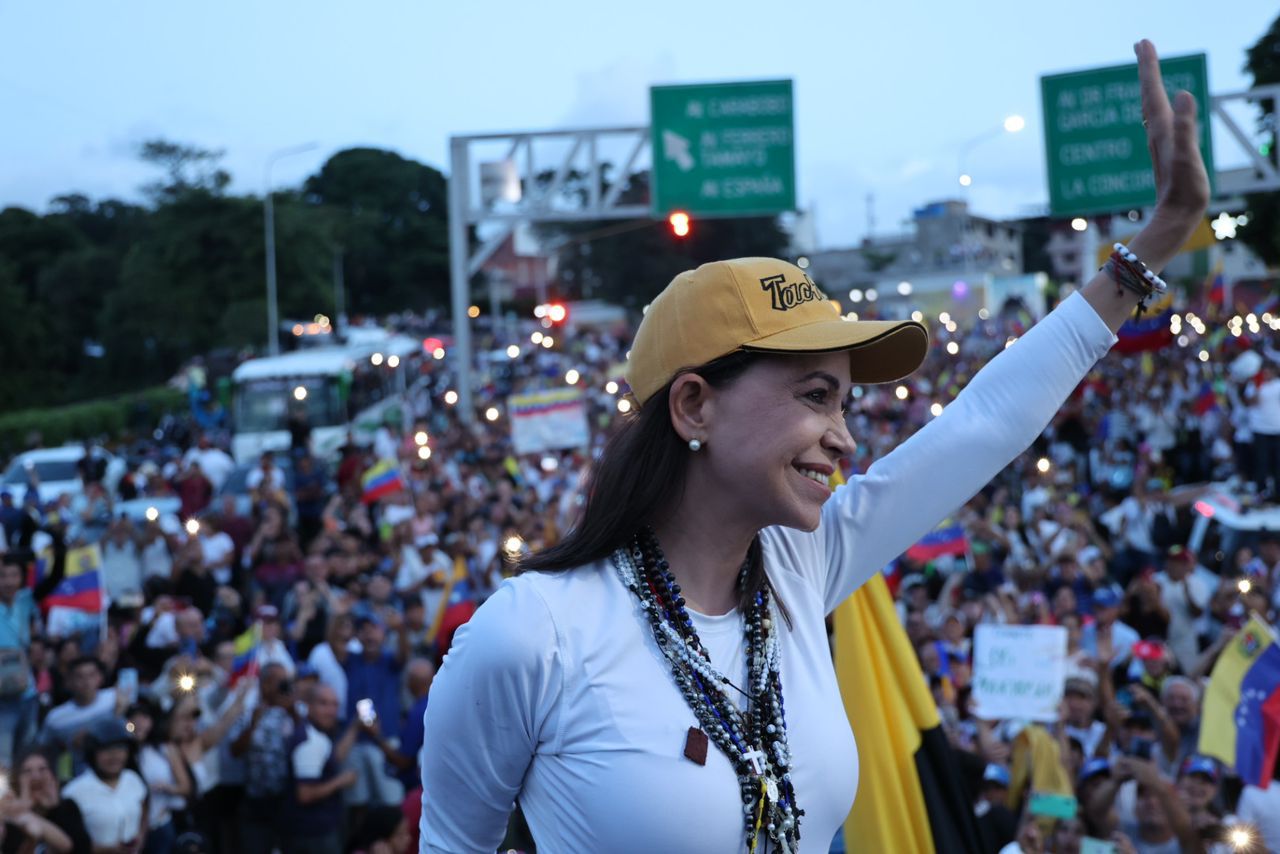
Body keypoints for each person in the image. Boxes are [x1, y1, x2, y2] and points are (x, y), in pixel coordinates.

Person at [419, 41, 1211, 852]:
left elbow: (982, 426)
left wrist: (1153, 245)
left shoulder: (800, 569)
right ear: (694, 405)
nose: (843, 435)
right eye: (814, 396)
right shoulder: (530, 635)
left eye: (845, 401)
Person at [283, 684, 359, 854]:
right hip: (313, 836)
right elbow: (305, 794)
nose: (331, 711)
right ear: (308, 706)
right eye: (323, 704)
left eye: (334, 705)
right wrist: (341, 781)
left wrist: (355, 727)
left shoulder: (317, 732)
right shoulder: (309, 742)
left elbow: (332, 757)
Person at [62, 717, 150, 853]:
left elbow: (144, 807)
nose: (114, 755)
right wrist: (112, 850)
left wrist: (141, 837)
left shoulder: (133, 779)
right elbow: (70, 843)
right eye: (106, 749)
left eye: (120, 748)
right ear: (93, 753)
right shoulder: (74, 793)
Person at [0, 747, 92, 853]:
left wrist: (56, 809)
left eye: (42, 769)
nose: (36, 777)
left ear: (53, 777)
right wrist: (23, 811)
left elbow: (80, 849)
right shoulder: (7, 812)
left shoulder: (68, 807)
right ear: (17, 779)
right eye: (27, 771)